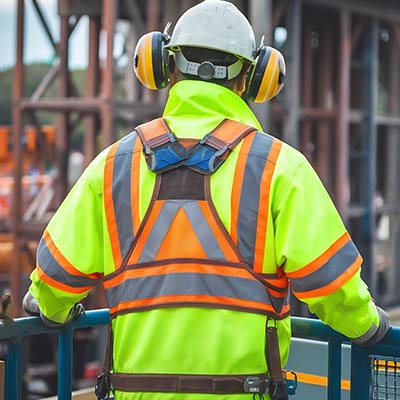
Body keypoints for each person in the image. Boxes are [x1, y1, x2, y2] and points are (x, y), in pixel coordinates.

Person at [23, 1, 391, 399]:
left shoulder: (113, 165)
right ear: (255, 76)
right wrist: (369, 327)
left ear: (163, 66)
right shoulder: (280, 168)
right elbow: (331, 283)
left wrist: (48, 308)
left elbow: (55, 279)